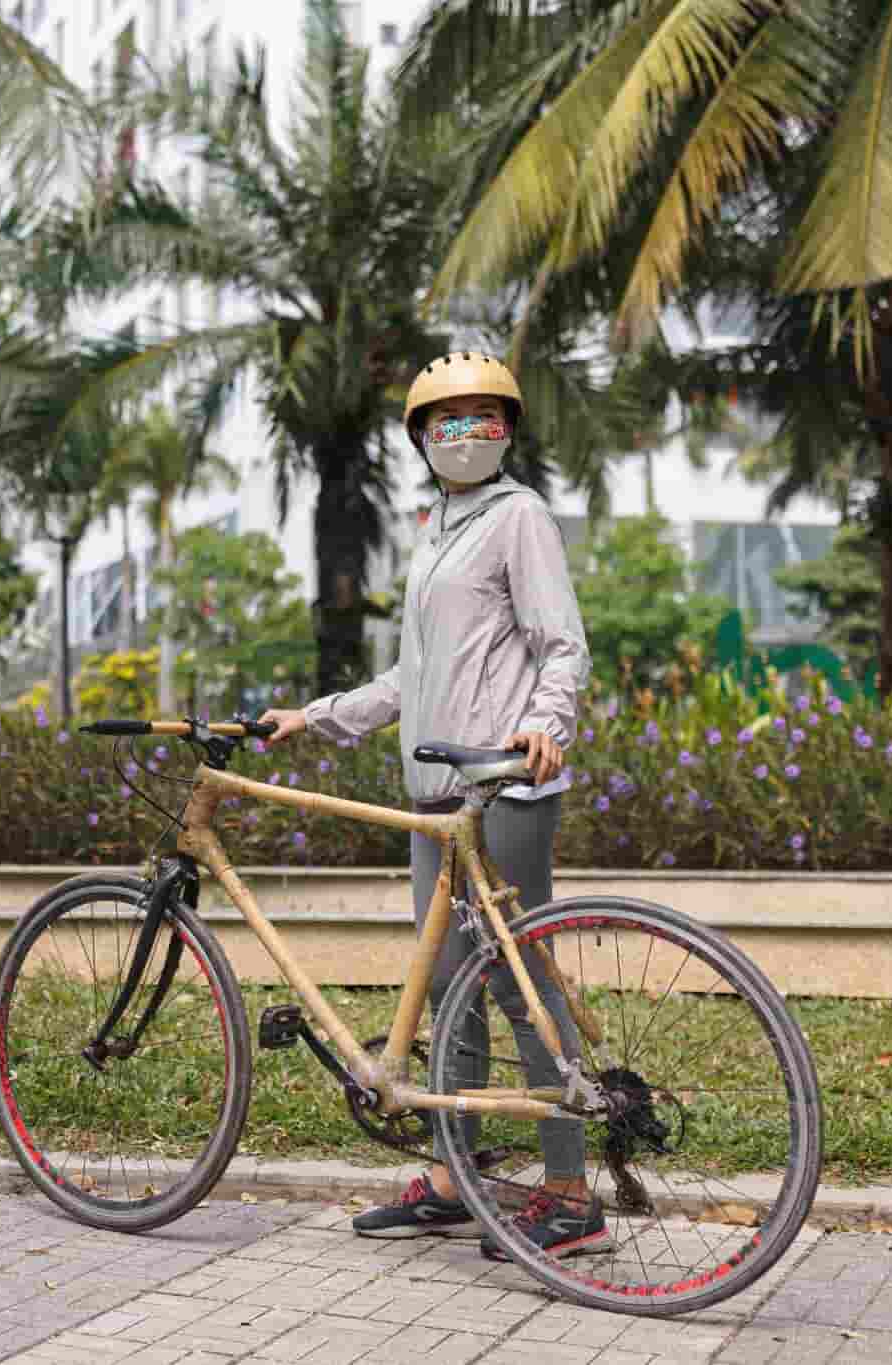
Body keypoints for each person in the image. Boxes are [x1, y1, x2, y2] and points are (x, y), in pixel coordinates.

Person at [259, 351, 600, 1260]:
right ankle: (456, 1180)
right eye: (445, 420)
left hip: (504, 786)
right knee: (450, 985)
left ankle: (569, 1191)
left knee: (520, 985)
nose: (464, 432)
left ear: (508, 428)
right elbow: (411, 676)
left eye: (482, 416)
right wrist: (318, 716)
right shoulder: (438, 527)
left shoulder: (519, 516)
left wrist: (543, 723)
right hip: (436, 796)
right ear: (419, 437)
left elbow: (561, 643)